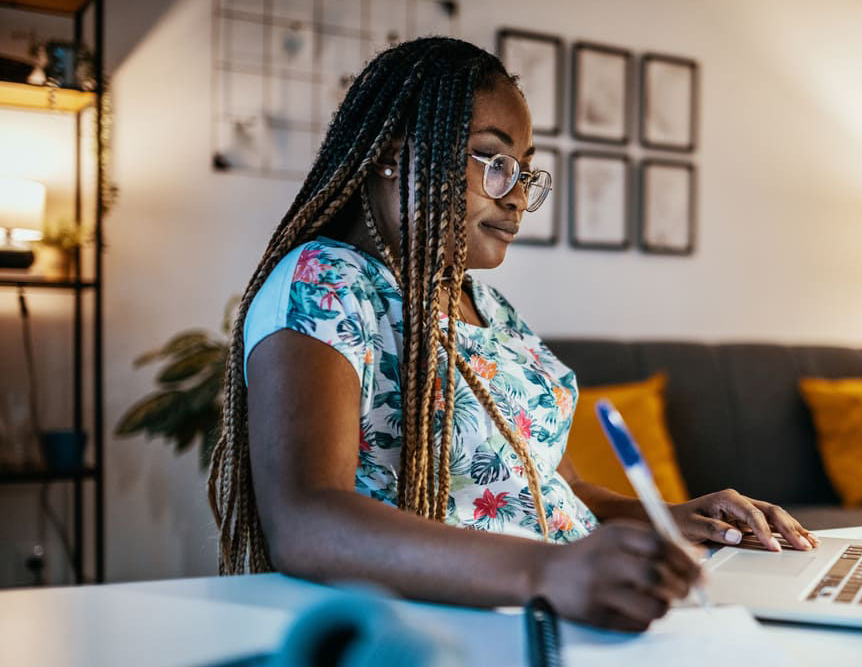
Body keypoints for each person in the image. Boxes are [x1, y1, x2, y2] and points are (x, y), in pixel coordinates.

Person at [208, 36, 818, 632]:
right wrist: (547, 572)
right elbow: (308, 522)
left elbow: (559, 485)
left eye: (526, 172)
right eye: (495, 163)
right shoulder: (325, 282)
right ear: (394, 153)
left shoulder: (489, 307)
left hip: (559, 613)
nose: (519, 196)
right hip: (457, 627)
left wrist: (675, 518)